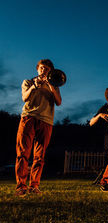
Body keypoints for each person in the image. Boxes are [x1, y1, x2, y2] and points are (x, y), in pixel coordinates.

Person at [15, 59, 62, 197]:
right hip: (28, 118)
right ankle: (21, 187)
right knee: (23, 153)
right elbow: (24, 97)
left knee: (39, 156)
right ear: (37, 69)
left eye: (47, 69)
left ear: (50, 71)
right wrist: (35, 86)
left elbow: (59, 102)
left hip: (46, 121)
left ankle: (34, 186)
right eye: (41, 68)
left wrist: (52, 86)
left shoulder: (54, 85)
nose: (43, 71)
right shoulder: (28, 82)